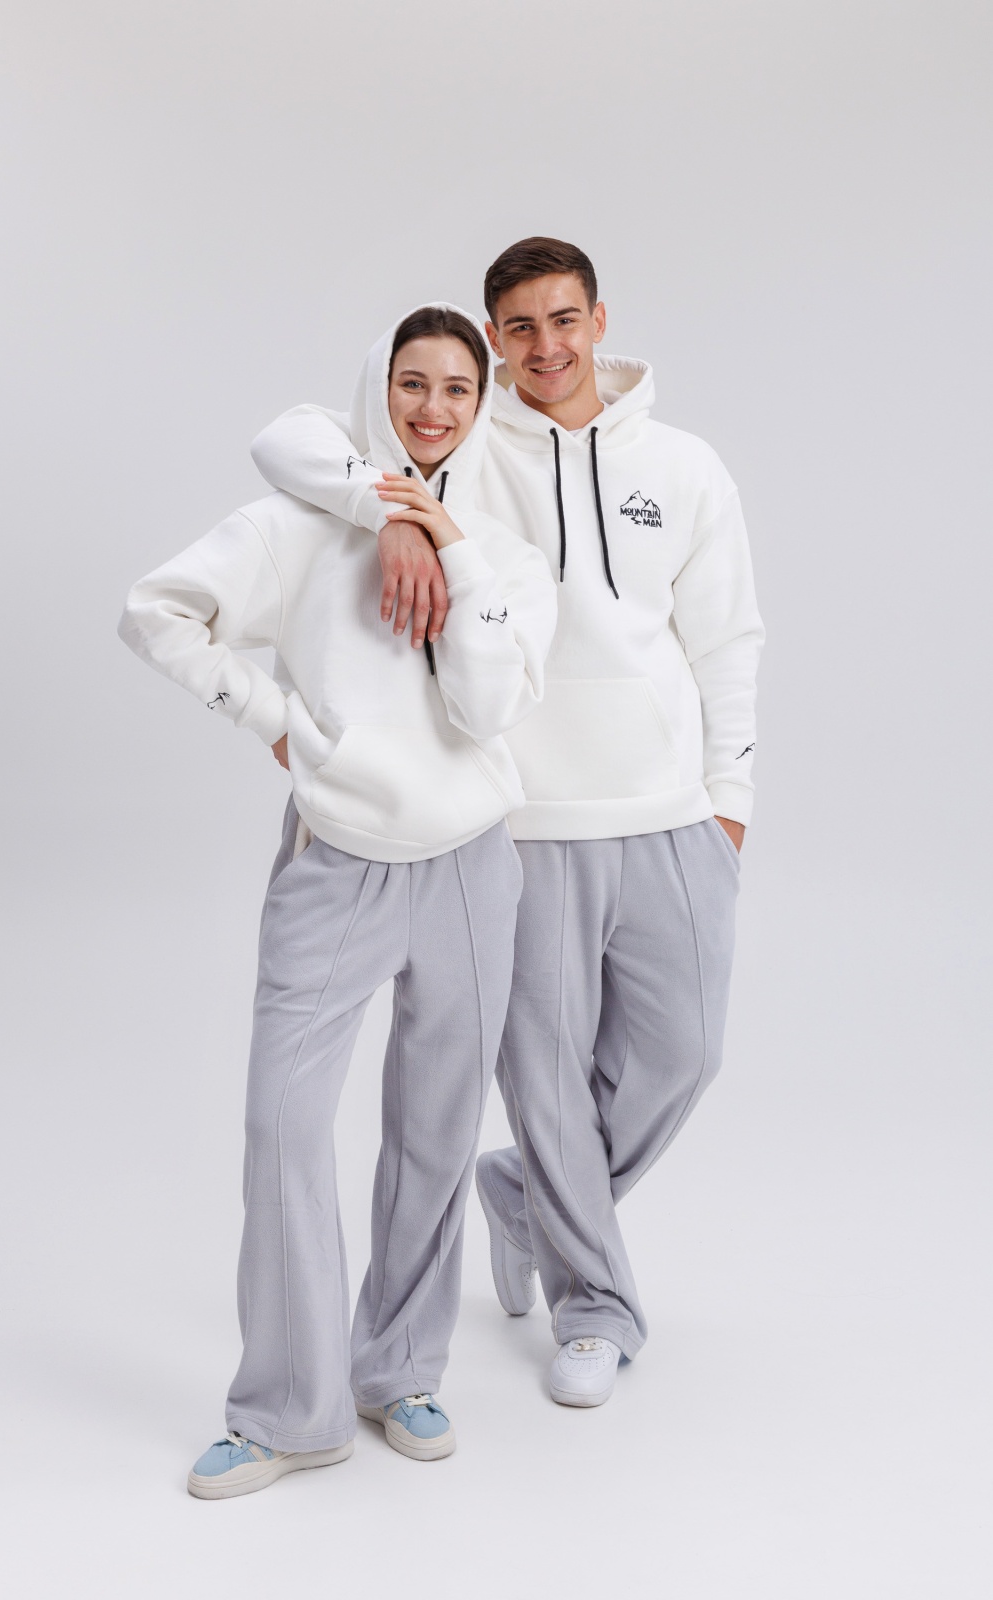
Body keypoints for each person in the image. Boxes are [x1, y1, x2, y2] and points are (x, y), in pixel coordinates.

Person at [249, 237, 765, 1409]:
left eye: (562, 320)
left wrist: (728, 801)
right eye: (518, 328)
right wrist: (388, 511)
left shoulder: (683, 465)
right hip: (516, 822)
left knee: (682, 1055)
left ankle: (525, 1197)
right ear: (492, 341)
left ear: (598, 321)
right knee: (544, 1083)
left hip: (670, 812)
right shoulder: (466, 451)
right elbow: (290, 439)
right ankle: (596, 1303)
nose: (544, 346)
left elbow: (727, 637)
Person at [119, 304, 557, 1496]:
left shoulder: (507, 553)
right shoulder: (302, 521)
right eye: (410, 383)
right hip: (335, 862)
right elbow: (155, 608)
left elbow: (483, 708)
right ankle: (283, 1410)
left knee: (435, 1130)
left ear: (481, 403)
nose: (431, 408)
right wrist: (271, 715)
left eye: (456, 389)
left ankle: (398, 1369)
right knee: (283, 1126)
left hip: (471, 863)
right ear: (378, 389)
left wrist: (443, 542)